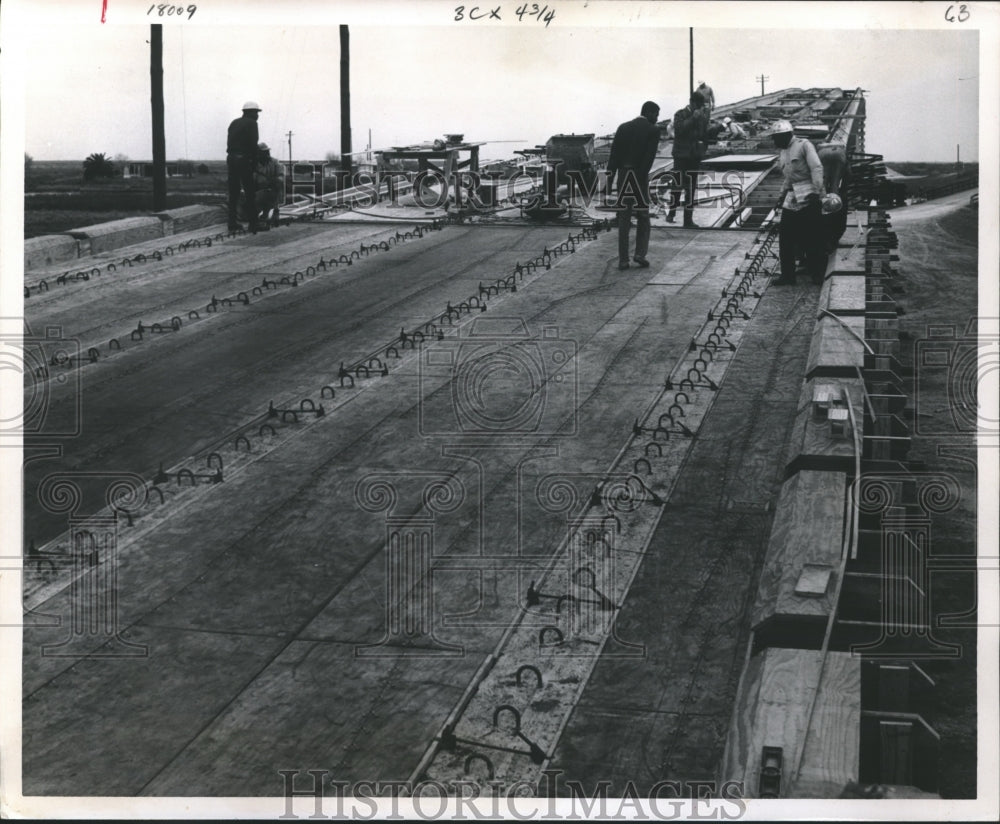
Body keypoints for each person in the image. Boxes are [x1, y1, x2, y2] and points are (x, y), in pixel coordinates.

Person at [607, 101, 662, 270]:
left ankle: (623, 260)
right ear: (651, 113)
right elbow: (648, 159)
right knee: (643, 216)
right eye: (656, 115)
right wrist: (640, 180)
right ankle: (639, 254)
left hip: (624, 176)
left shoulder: (623, 127)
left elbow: (613, 156)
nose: (657, 118)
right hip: (639, 176)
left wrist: (609, 183)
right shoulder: (653, 130)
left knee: (624, 218)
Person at [772, 120, 828, 285]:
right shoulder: (783, 152)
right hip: (793, 197)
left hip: (810, 196)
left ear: (786, 135)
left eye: (776, 138)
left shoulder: (804, 145)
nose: (774, 142)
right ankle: (788, 276)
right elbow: (788, 179)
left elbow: (816, 168)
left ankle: (817, 275)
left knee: (812, 238)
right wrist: (781, 196)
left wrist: (816, 191)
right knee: (786, 238)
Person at [667, 91, 710, 228]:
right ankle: (671, 213)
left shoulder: (702, 117)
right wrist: (693, 119)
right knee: (677, 186)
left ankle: (688, 220)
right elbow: (679, 131)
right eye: (699, 105)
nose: (700, 108)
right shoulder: (680, 114)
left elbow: (703, 134)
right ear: (692, 103)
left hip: (694, 157)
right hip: (681, 156)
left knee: (690, 189)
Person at [227, 101, 261, 232]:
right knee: (250, 192)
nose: (258, 116)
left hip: (231, 158)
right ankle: (253, 224)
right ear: (251, 112)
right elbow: (253, 144)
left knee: (233, 193)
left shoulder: (234, 123)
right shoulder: (252, 124)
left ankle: (232, 224)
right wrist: (254, 162)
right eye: (256, 113)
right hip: (244, 160)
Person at [253, 142, 284, 228]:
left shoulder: (275, 162)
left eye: (267, 152)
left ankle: (273, 213)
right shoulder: (253, 164)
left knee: (275, 190)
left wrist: (276, 180)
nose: (267, 154)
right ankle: (257, 215)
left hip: (272, 190)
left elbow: (281, 176)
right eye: (264, 152)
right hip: (258, 190)